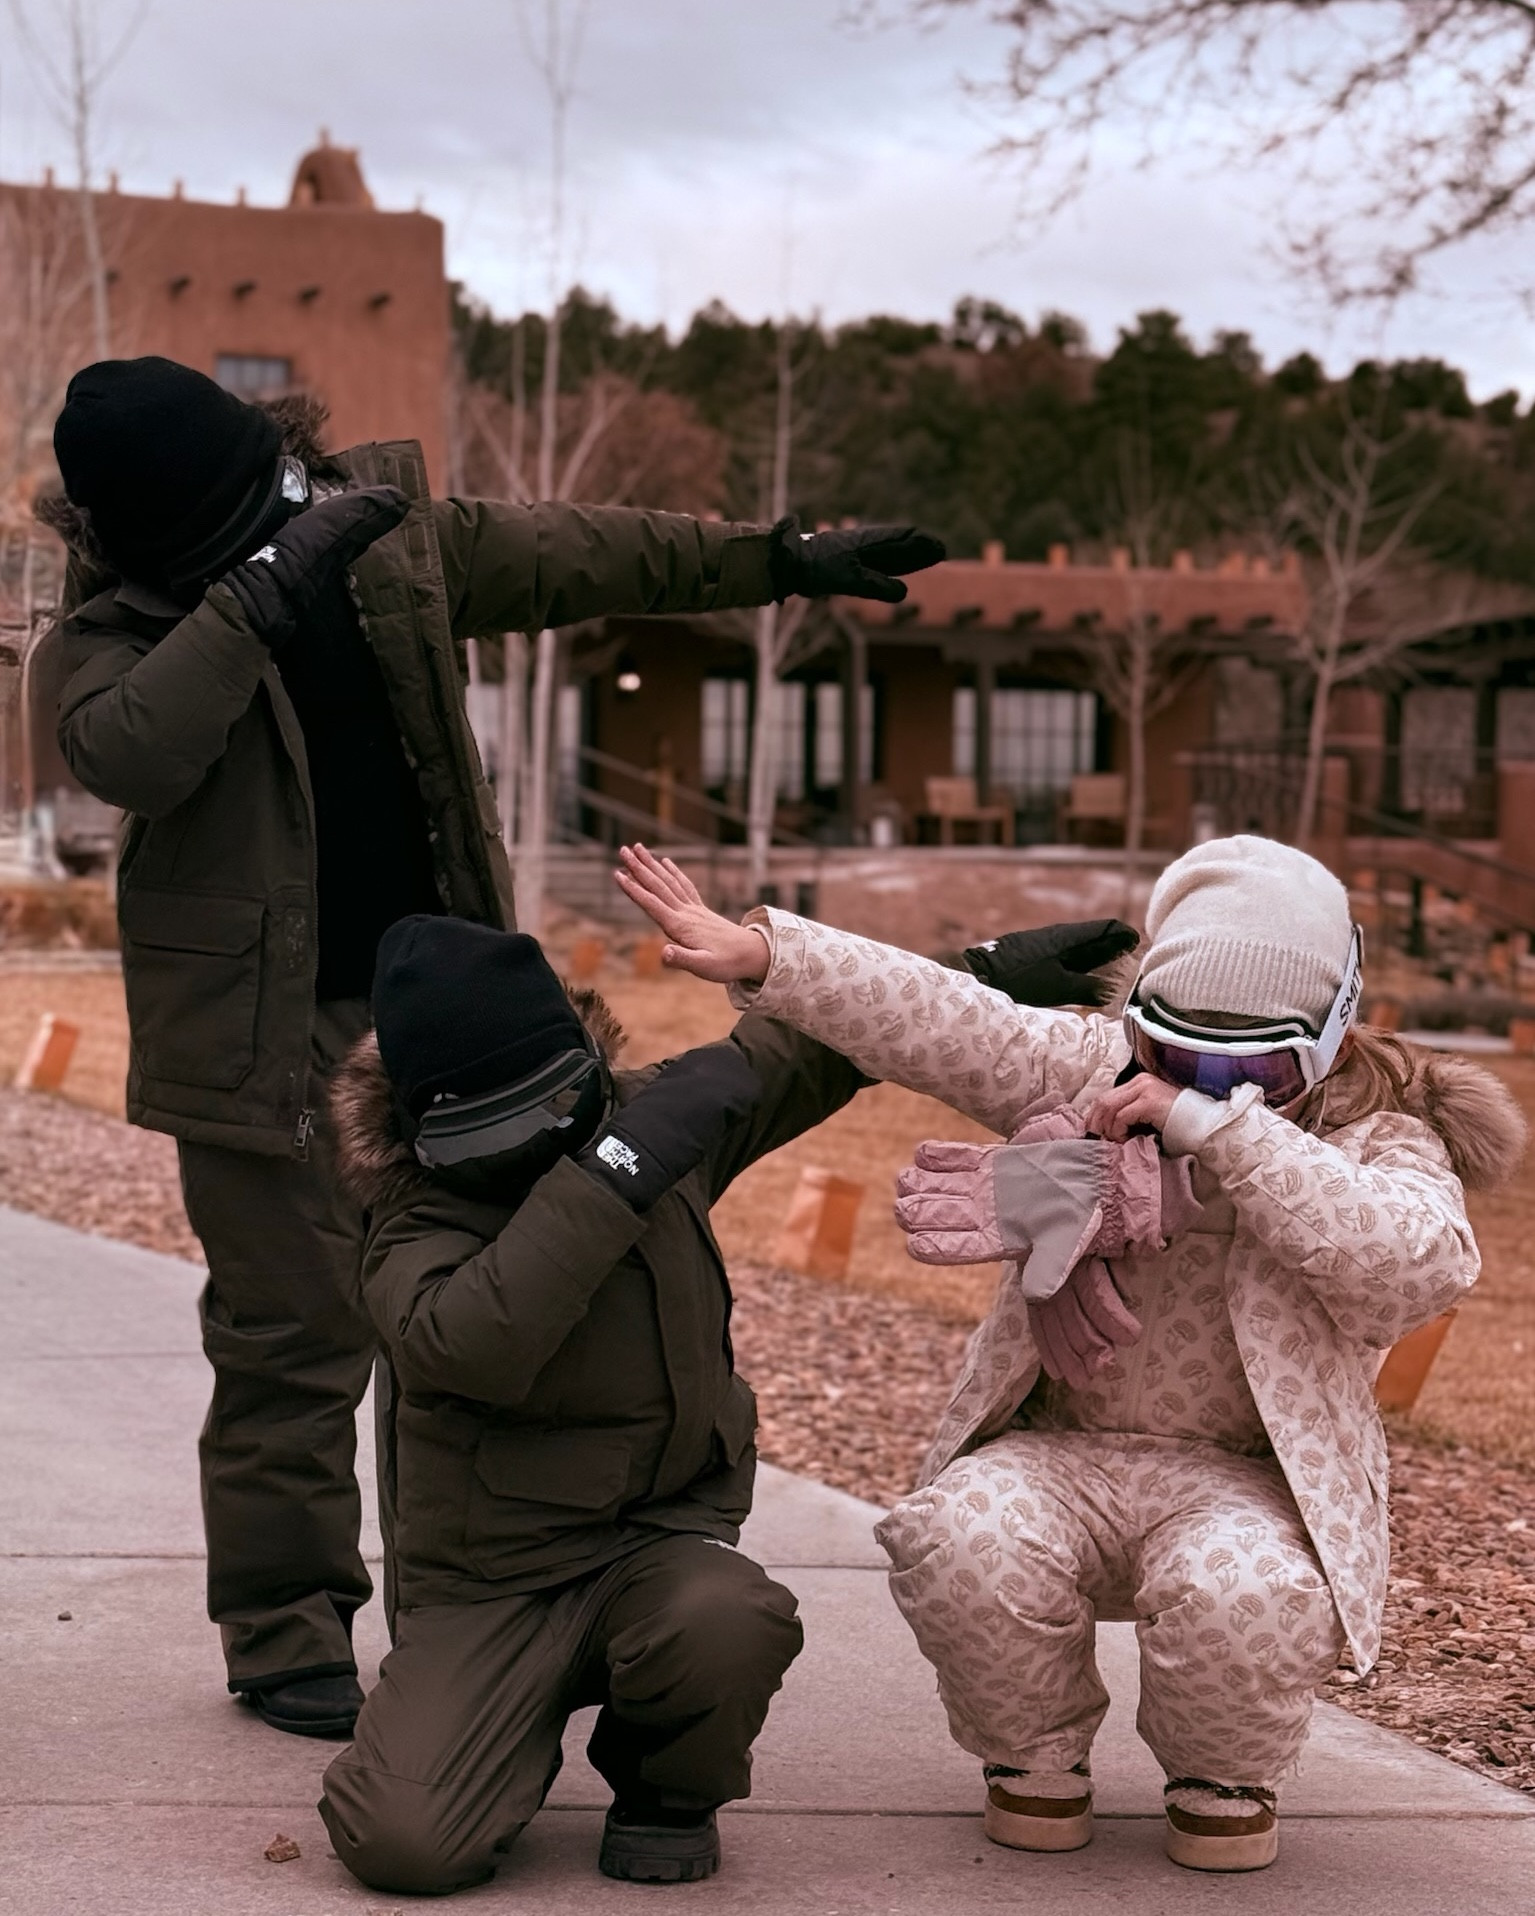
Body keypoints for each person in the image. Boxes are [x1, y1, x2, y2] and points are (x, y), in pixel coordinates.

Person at [37, 353, 942, 1737]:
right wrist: (259, 593)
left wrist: (777, 559)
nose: (280, 524)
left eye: (275, 502)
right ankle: (285, 1633)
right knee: (288, 1345)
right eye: (242, 529)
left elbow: (586, 552)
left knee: (464, 1337)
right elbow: (131, 753)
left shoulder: (389, 544)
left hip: (447, 1032)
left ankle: (461, 1629)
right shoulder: (106, 636)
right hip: (253, 1040)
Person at [613, 836, 1527, 1874]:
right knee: (961, 1535)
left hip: (1244, 1479)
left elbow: (1415, 1267)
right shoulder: (1090, 1069)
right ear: (1138, 1016)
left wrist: (1218, 1133)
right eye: (1179, 1056)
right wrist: (770, 955)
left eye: (1251, 1068)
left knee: (1245, 1593)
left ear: (1331, 1032)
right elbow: (941, 1017)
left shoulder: (1378, 1135)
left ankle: (1219, 1776)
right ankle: (1032, 1758)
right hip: (1064, 1444)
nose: (1212, 1085)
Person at [315, 912, 871, 1891]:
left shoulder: (659, 1122)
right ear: (422, 1126)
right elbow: (472, 1340)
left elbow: (825, 1035)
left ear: (583, 1065)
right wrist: (614, 1168)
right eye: (490, 1128)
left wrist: (992, 974)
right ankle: (479, 1726)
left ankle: (664, 1785)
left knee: (726, 1617)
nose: (528, 1142)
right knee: (400, 1842)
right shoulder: (410, 1225)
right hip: (491, 1583)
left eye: (553, 1105)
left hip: (651, 1546)